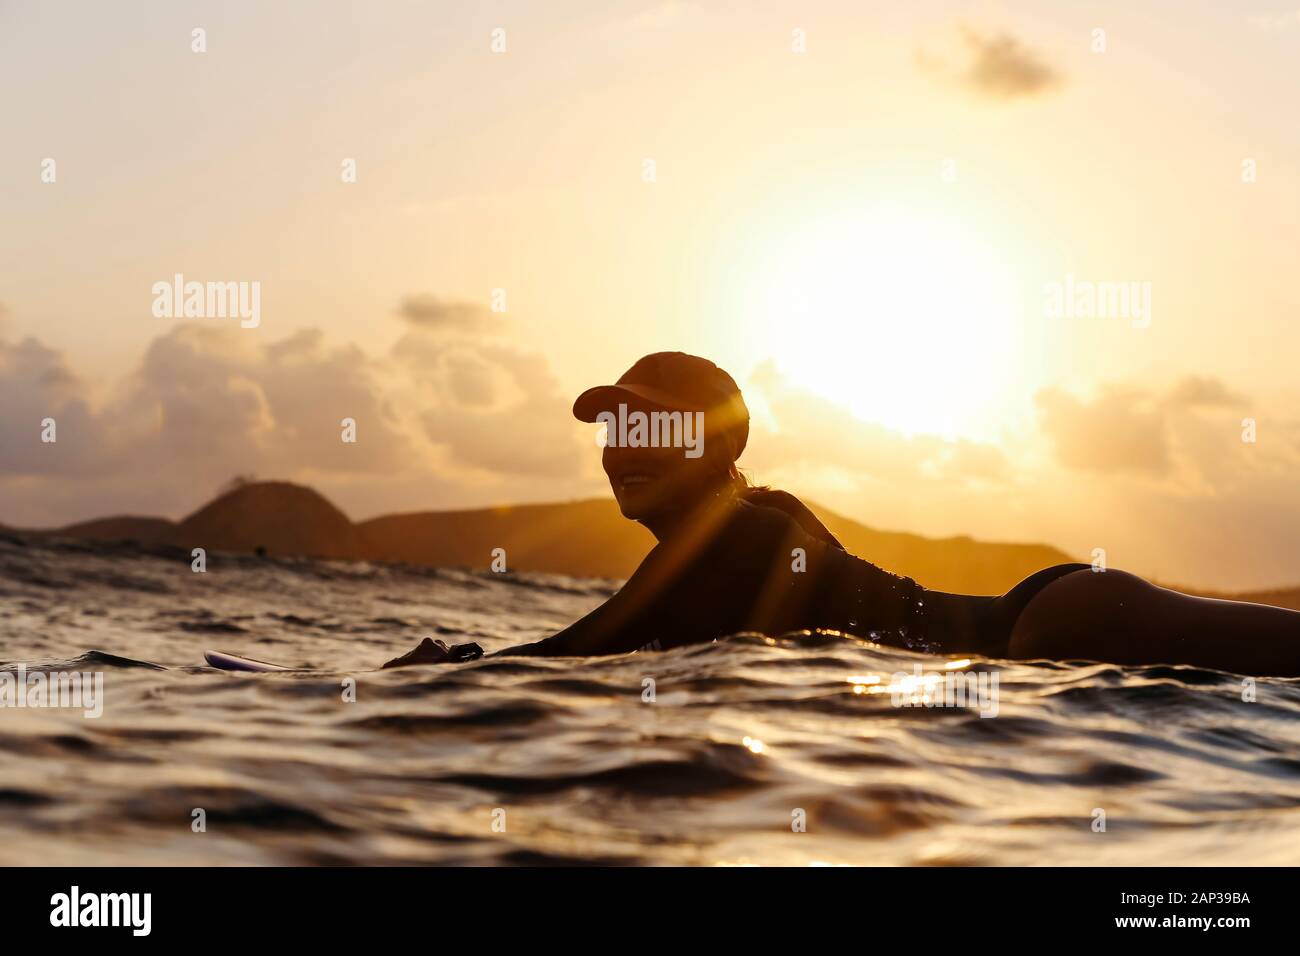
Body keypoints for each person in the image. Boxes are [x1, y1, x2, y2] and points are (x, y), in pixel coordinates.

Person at [384, 352, 1300, 676]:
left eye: (649, 423)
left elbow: (586, 646)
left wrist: (437, 676)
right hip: (1047, 638)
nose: (622, 446)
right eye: (612, 426)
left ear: (715, 445)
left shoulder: (735, 532)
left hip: (1056, 628)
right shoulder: (761, 523)